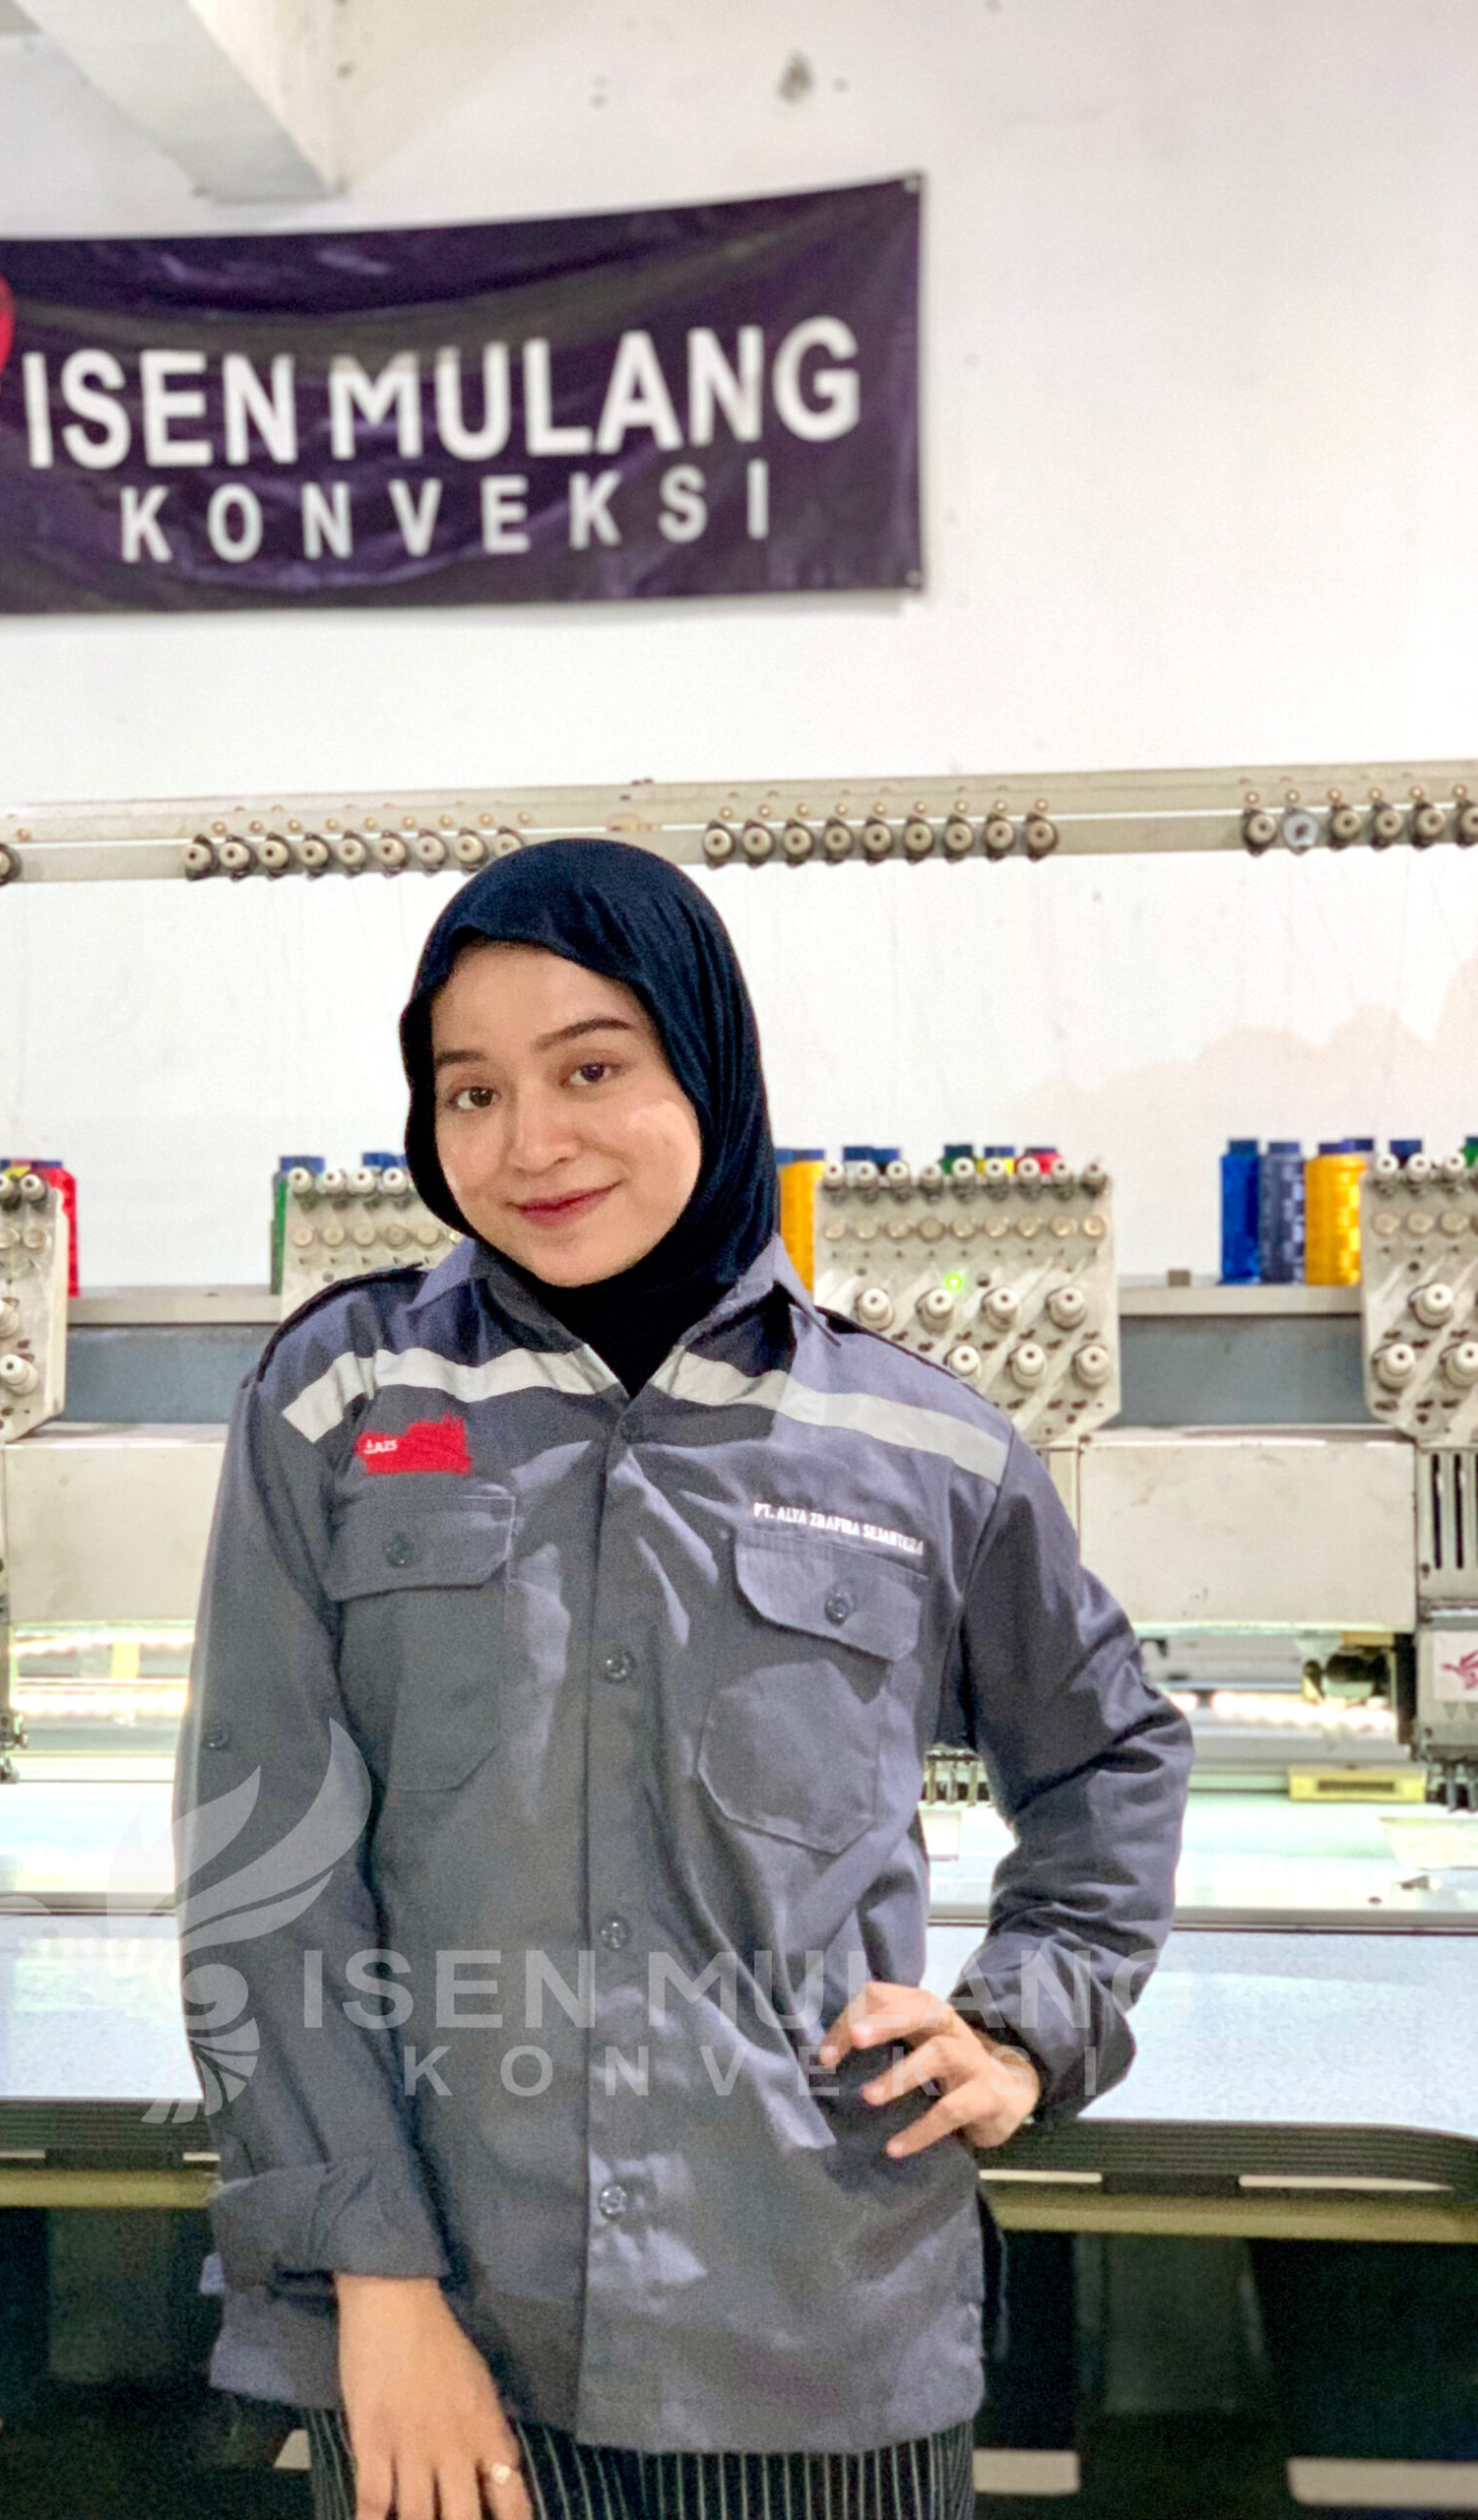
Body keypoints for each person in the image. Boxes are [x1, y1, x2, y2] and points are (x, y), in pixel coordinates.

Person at [174, 839, 1193, 2520]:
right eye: (471, 1092)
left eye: (591, 1070)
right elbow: (265, 1869)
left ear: (709, 1069)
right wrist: (378, 2285)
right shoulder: (336, 1400)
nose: (530, 1143)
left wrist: (1028, 2025)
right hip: (456, 2343)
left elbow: (1112, 1755)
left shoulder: (921, 1445)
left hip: (821, 2327)